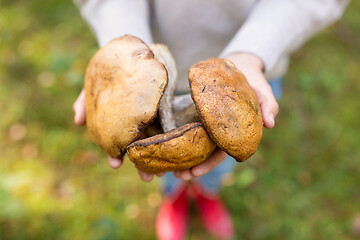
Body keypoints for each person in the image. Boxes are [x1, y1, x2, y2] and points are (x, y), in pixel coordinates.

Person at [72, 1, 349, 239]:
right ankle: (174, 197)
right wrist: (122, 52)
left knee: (219, 159)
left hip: (245, 74)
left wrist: (254, 49)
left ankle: (208, 192)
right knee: (165, 168)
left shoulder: (244, 76)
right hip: (139, 72)